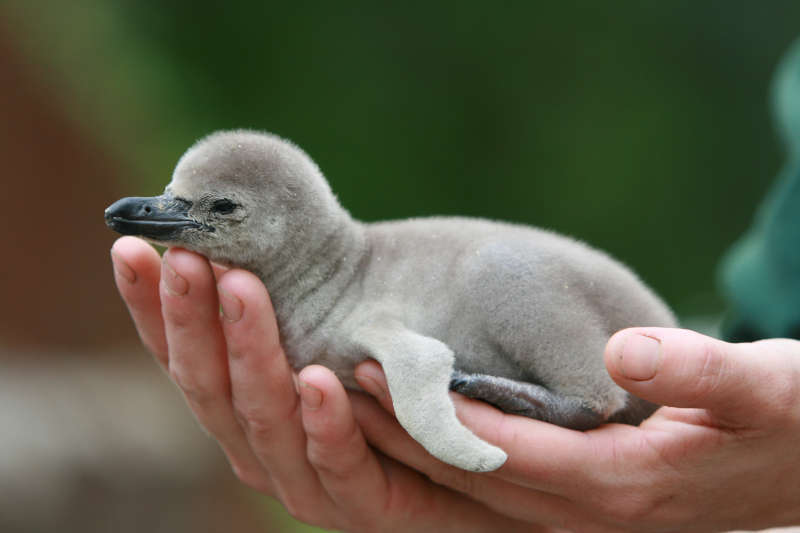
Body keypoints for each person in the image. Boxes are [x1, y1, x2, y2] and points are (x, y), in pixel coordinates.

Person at [110, 236, 800, 533]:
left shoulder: (344, 304)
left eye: (219, 211)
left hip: (657, 393)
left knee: (501, 275)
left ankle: (579, 397)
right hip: (719, 392)